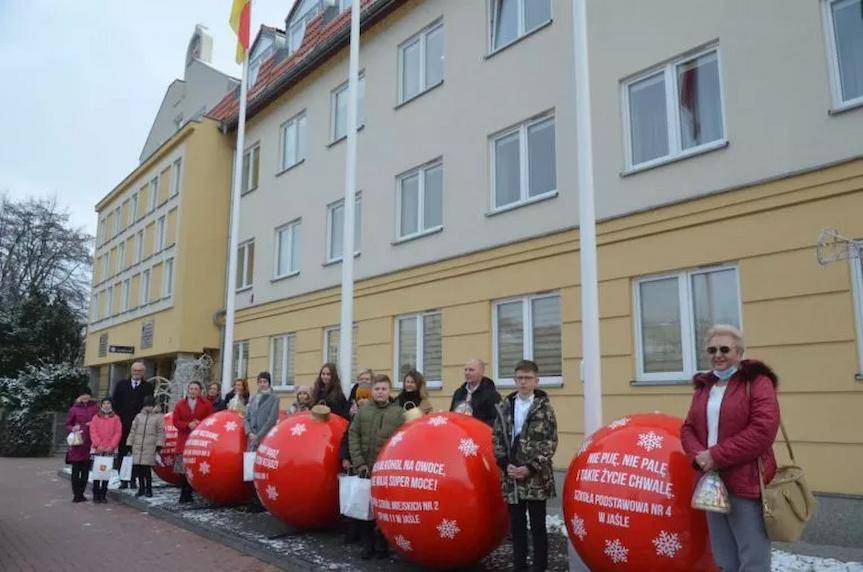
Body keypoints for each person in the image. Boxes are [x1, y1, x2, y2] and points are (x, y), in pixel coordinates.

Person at [681, 324, 780, 572]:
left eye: (725, 349)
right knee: (724, 557)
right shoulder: (706, 387)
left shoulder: (757, 382)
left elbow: (762, 431)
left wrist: (715, 455)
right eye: (712, 350)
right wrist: (699, 457)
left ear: (739, 351)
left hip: (744, 482)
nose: (718, 355)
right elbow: (688, 428)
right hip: (711, 483)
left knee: (752, 557)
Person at [492, 360, 558, 572]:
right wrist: (505, 465)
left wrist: (530, 467)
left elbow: (550, 443)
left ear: (536, 381)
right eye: (519, 378)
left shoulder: (544, 409)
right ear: (514, 380)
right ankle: (519, 566)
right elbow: (497, 438)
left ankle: (540, 567)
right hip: (511, 477)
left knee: (538, 527)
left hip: (536, 478)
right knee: (517, 527)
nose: (523, 382)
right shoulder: (505, 406)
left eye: (528, 378)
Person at [348, 374, 404, 560]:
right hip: (365, 469)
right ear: (372, 391)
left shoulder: (397, 413)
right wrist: (359, 462)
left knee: (382, 510)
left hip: (385, 470)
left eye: (384, 389)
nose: (380, 392)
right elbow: (353, 435)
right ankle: (368, 545)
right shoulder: (363, 412)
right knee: (365, 509)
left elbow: (402, 440)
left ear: (389, 391)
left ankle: (382, 546)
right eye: (377, 389)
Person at [111, 361, 154, 489]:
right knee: (123, 453)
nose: (137, 373)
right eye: (135, 370)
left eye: (140, 371)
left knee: (137, 455)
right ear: (131, 371)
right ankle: (123, 479)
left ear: (143, 373)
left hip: (140, 427)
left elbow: (150, 404)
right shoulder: (121, 385)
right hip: (123, 425)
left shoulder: (148, 387)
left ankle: (134, 479)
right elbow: (115, 403)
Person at [173, 380, 214, 503]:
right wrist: (187, 425)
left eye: (196, 389)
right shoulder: (180, 404)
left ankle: (190, 492)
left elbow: (210, 420)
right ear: (188, 390)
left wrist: (199, 424)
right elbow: (175, 421)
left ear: (200, 391)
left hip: (198, 441)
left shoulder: (206, 404)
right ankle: (184, 492)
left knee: (194, 466)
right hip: (184, 439)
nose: (193, 391)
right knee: (182, 468)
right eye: (191, 389)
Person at [125, 395, 165, 498]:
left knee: (146, 470)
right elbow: (133, 430)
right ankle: (141, 488)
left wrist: (159, 445)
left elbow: (161, 432)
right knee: (138, 469)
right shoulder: (138, 416)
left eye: (151, 405)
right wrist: (129, 443)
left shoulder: (158, 417)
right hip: (138, 446)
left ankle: (149, 489)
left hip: (149, 446)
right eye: (147, 405)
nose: (149, 408)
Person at [65, 389, 98, 502]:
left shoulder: (95, 408)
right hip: (77, 443)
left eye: (87, 395)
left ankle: (82, 493)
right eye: (83, 395)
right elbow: (68, 424)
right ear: (79, 396)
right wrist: (73, 428)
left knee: (85, 472)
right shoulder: (74, 409)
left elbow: (99, 422)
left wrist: (92, 424)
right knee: (75, 471)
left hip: (89, 443)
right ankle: (76, 494)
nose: (85, 397)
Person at [89, 397, 122, 504]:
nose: (106, 405)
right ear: (101, 405)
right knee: (97, 473)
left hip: (109, 450)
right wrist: (98, 444)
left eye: (108, 403)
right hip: (98, 449)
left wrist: (112, 446)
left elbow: (118, 432)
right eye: (104, 403)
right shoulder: (96, 418)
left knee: (106, 473)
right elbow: (93, 432)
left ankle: (103, 494)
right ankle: (96, 494)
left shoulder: (116, 418)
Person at [450, 358, 501, 426]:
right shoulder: (459, 393)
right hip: (460, 433)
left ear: (481, 372)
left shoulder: (492, 395)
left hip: (480, 433)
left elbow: (495, 420)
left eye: (471, 370)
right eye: (466, 370)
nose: (467, 373)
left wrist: (476, 426)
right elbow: (451, 414)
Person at [244, 372, 280, 452]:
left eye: (265, 382)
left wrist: (258, 436)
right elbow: (247, 418)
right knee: (250, 462)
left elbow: (271, 420)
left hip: (264, 437)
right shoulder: (253, 398)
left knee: (261, 461)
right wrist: (249, 433)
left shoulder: (274, 398)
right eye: (260, 382)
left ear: (269, 383)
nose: (262, 384)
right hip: (251, 438)